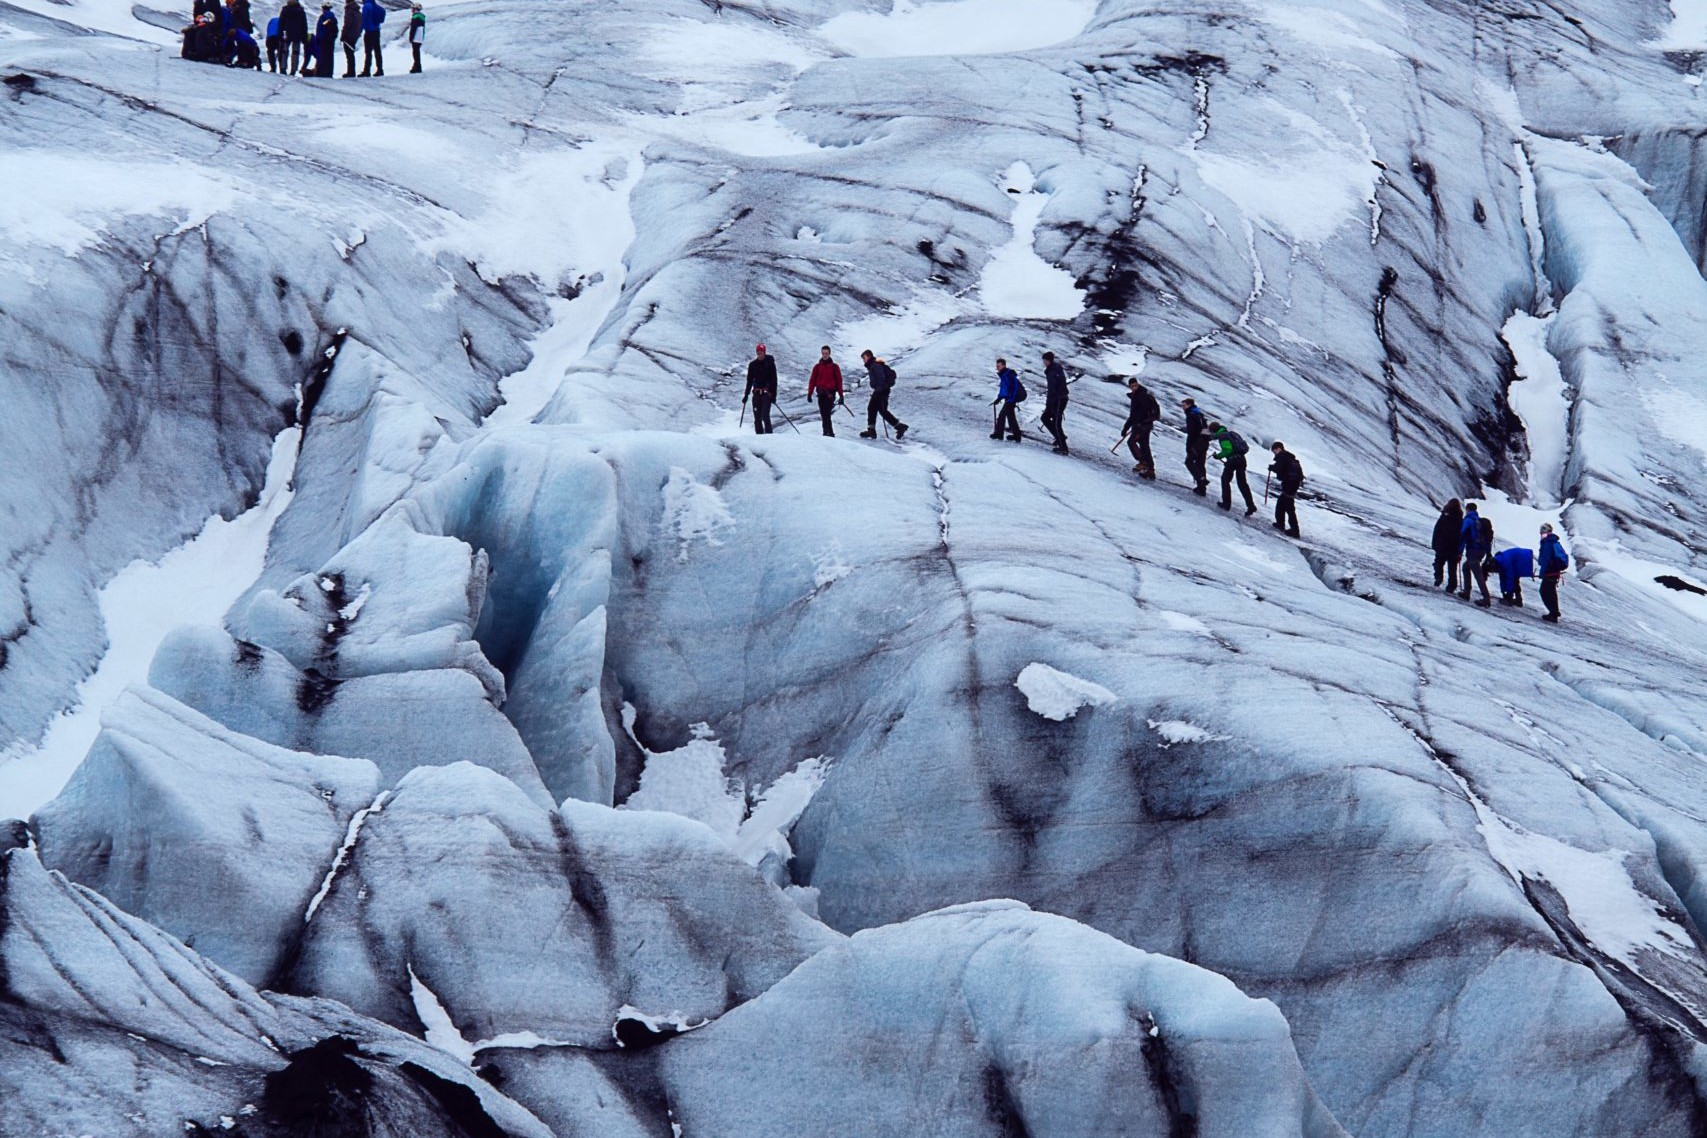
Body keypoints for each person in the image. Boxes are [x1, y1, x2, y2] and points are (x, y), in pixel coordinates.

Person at [1208, 421, 1256, 515]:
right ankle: (1251, 506)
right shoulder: (1230, 434)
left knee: (1225, 480)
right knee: (1242, 484)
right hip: (1242, 460)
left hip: (1233, 461)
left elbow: (1228, 450)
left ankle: (1226, 504)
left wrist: (1218, 456)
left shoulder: (1223, 436)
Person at [858, 350, 907, 439]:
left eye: (864, 358)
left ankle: (899, 427)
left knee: (879, 410)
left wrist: (878, 392)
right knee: (875, 409)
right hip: (881, 391)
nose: (863, 360)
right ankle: (872, 430)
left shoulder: (875, 366)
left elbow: (881, 379)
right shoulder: (874, 365)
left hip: (881, 391)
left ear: (868, 356)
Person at [1121, 378, 1159, 478]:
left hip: (1142, 426)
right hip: (1143, 425)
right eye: (1132, 386)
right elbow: (1133, 415)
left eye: (1135, 385)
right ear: (1130, 387)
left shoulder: (1141, 396)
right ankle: (1150, 470)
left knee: (1132, 442)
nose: (1134, 388)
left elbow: (1137, 414)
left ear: (1138, 385)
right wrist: (1126, 428)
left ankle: (1143, 463)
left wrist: (1140, 423)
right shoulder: (1137, 396)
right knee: (1144, 446)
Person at [1459, 502, 1493, 607]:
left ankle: (1486, 598)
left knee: (1478, 574)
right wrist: (1488, 552)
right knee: (1466, 567)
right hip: (1481, 551)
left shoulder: (1468, 520)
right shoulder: (1480, 522)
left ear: (1467, 509)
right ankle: (1466, 591)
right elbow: (1488, 539)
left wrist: (1459, 551)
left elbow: (1462, 535)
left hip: (1473, 550)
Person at [1268, 441, 1304, 537]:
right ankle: (1280, 524)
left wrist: (1272, 468)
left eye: (1274, 451)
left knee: (1288, 507)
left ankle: (1295, 530)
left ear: (1278, 448)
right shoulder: (1289, 457)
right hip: (1293, 483)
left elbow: (1279, 468)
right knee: (1282, 503)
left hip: (1289, 484)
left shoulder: (1283, 456)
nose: (1274, 453)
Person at [806, 345, 843, 437]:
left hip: (830, 394)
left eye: (826, 353)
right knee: (823, 414)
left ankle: (829, 433)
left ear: (829, 354)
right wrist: (809, 393)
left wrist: (841, 395)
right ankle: (826, 432)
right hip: (821, 394)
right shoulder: (817, 367)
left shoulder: (835, 367)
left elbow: (839, 381)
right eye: (823, 353)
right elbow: (812, 380)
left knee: (826, 413)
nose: (825, 355)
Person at [1537, 523, 1569, 623]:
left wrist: (1542, 572)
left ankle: (1553, 613)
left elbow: (1546, 558)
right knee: (1550, 591)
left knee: (1545, 591)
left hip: (1550, 570)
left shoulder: (1547, 543)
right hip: (1555, 570)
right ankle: (1554, 612)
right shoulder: (1554, 541)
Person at [1431, 499, 1463, 592]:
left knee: (1438, 562)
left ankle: (1438, 578)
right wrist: (1460, 550)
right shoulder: (1460, 519)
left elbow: (1437, 529)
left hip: (1442, 544)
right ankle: (1452, 586)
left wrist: (1434, 544)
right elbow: (1462, 535)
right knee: (1452, 567)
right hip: (1454, 547)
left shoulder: (1444, 516)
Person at [743, 344, 777, 435]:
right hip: (756, 394)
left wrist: (774, 395)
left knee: (765, 416)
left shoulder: (770, 363)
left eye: (761, 352)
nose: (759, 354)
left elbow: (774, 380)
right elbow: (749, 381)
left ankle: (769, 437)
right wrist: (746, 395)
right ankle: (759, 438)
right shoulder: (752, 365)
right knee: (757, 418)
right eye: (758, 352)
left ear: (764, 352)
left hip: (767, 394)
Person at [1040, 351, 1069, 454]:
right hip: (1060, 398)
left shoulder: (1053, 371)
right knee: (1045, 417)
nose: (1043, 362)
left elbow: (1052, 388)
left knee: (1056, 422)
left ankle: (1063, 448)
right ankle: (1060, 437)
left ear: (1048, 360)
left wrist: (1049, 403)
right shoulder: (1054, 368)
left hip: (1058, 399)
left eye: (1044, 360)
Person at [1181, 397, 1209, 495]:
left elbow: (1192, 433)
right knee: (1200, 464)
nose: (1183, 408)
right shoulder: (1200, 415)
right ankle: (1202, 489)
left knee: (1189, 462)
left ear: (1189, 405)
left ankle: (1201, 480)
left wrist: (1189, 447)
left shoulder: (1191, 416)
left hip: (1196, 443)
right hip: (1204, 443)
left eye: (1184, 405)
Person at [991, 357, 1022, 442]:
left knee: (1002, 416)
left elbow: (1014, 388)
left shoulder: (1008, 375)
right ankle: (1017, 436)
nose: (997, 368)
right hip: (1010, 399)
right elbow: (1004, 389)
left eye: (999, 366)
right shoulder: (1004, 375)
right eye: (997, 366)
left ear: (1004, 365)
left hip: (1011, 399)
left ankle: (999, 434)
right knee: (1011, 417)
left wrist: (1011, 399)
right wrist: (999, 398)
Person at [307, 1, 338, 75]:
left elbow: (321, 29)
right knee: (329, 57)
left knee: (322, 56)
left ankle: (321, 72)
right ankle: (329, 72)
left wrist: (318, 39)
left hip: (323, 40)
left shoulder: (323, 17)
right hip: (330, 40)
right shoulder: (333, 17)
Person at [278, 0, 308, 74]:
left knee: (284, 51)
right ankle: (293, 69)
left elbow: (281, 23)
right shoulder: (301, 11)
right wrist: (304, 37)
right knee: (295, 52)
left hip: (286, 33)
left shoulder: (285, 10)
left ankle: (283, 68)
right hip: (298, 34)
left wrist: (279, 34)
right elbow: (304, 25)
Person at [360, 0, 386, 75]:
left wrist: (360, 30)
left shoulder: (366, 6)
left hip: (369, 31)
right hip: (376, 30)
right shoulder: (376, 6)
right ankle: (380, 69)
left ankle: (367, 70)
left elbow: (363, 20)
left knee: (368, 52)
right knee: (377, 51)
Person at [339, 0, 360, 76]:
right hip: (355, 35)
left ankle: (350, 72)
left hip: (349, 36)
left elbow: (347, 23)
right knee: (351, 53)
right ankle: (351, 71)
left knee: (349, 54)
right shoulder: (357, 11)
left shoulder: (349, 10)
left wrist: (343, 35)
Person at [407, 1, 425, 72]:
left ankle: (417, 67)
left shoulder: (415, 17)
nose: (411, 10)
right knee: (417, 51)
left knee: (415, 52)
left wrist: (411, 37)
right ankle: (417, 66)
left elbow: (413, 28)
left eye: (412, 8)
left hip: (416, 37)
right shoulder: (421, 16)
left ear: (415, 9)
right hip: (420, 36)